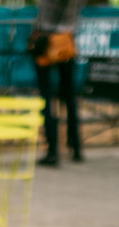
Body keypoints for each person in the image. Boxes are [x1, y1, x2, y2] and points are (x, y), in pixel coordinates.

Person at [31, 0, 83, 168]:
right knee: (69, 96)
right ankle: (75, 146)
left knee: (46, 96)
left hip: (47, 40)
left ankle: (52, 150)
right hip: (67, 39)